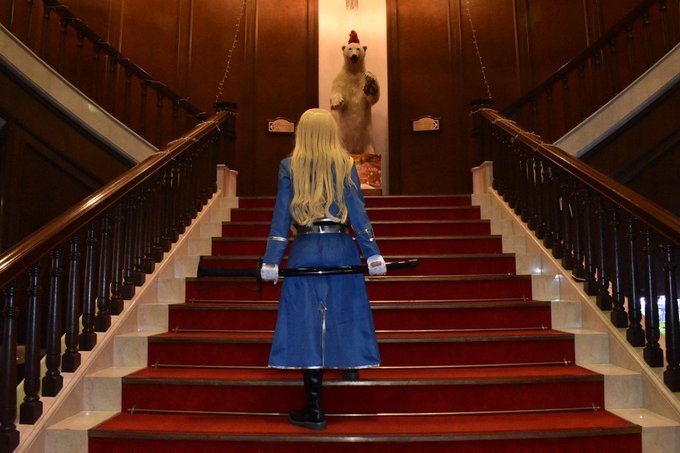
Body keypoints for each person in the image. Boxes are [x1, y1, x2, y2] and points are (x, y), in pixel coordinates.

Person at [260, 108, 386, 431]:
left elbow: (281, 217)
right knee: (345, 310)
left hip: (304, 249)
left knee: (307, 322)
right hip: (341, 247)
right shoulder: (345, 164)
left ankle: (314, 407)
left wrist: (272, 259)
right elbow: (357, 212)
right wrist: (372, 253)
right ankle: (349, 363)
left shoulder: (289, 165)